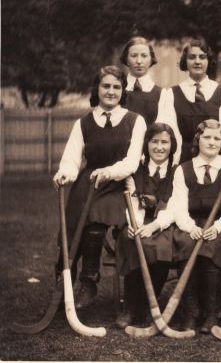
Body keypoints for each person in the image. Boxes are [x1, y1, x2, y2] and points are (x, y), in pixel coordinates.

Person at [53, 65, 147, 309]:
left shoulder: (135, 121)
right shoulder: (83, 123)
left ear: (122, 90)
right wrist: (64, 174)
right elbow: (72, 160)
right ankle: (63, 284)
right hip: (89, 180)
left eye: (116, 87)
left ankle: (89, 280)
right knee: (71, 226)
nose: (111, 91)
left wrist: (109, 172)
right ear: (97, 89)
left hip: (118, 184)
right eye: (106, 86)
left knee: (95, 216)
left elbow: (131, 161)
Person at [152, 119, 221, 333]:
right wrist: (189, 227)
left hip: (219, 226)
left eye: (217, 138)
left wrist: (219, 227)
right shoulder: (183, 169)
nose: (212, 142)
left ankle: (213, 311)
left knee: (211, 248)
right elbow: (178, 207)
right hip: (190, 225)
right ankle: (191, 311)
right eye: (207, 137)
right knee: (187, 245)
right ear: (198, 139)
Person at [115, 123, 178, 328]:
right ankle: (131, 306)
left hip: (163, 222)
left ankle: (149, 303)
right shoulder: (135, 172)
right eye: (154, 141)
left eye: (164, 142)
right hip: (138, 219)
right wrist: (136, 224)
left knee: (161, 247)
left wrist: (154, 226)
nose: (159, 147)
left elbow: (174, 206)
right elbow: (132, 202)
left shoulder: (177, 172)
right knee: (130, 239)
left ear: (172, 145)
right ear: (146, 144)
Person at [164, 38, 221, 164]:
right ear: (185, 61)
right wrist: (173, 165)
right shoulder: (172, 94)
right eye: (192, 57)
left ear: (209, 61)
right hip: (183, 160)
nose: (197, 61)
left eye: (202, 57)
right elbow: (171, 133)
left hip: (214, 159)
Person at [120, 36, 181, 155]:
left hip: (148, 155)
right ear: (126, 59)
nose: (139, 61)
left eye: (144, 56)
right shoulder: (117, 92)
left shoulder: (162, 94)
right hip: (118, 153)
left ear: (151, 59)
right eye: (133, 56)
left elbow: (162, 131)